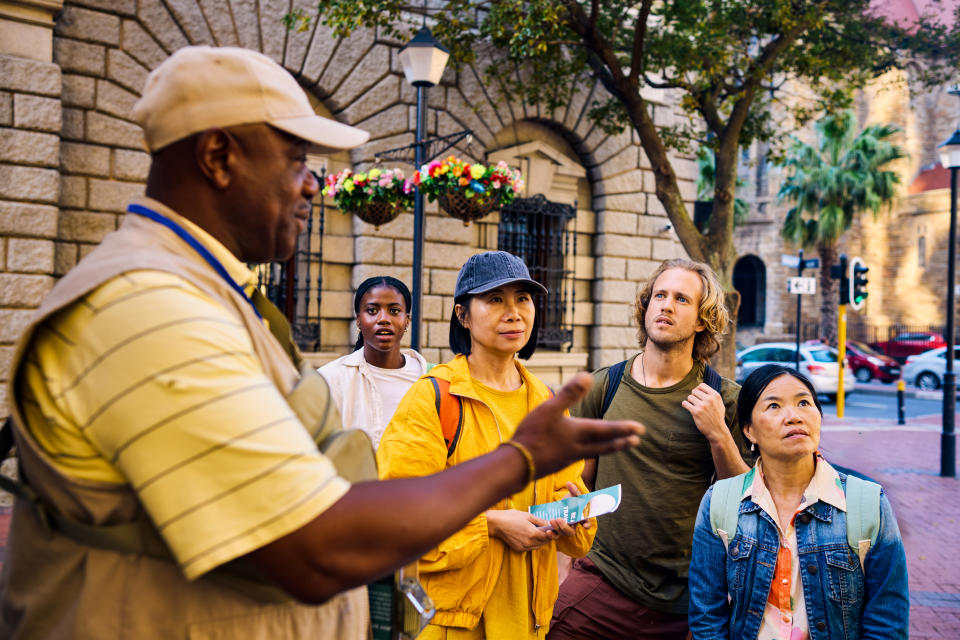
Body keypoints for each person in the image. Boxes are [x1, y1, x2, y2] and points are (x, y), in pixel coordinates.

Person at [0, 46, 644, 639]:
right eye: (297, 161)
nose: (314, 184)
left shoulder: (204, 293)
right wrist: (517, 462)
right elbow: (313, 547)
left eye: (524, 299)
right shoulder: (149, 310)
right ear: (218, 157)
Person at [377, 251, 596, 640]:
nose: (513, 313)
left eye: (523, 299)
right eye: (495, 300)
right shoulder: (434, 398)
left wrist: (574, 517)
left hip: (527, 623)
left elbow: (572, 511)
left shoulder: (545, 403)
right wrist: (491, 525)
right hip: (449, 624)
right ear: (463, 315)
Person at [548, 258, 752, 640]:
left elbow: (747, 503)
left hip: (688, 602)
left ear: (702, 320)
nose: (666, 305)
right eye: (659, 295)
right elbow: (576, 489)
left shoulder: (724, 399)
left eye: (681, 299)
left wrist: (718, 434)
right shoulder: (602, 389)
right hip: (600, 584)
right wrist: (563, 572)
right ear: (646, 308)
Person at [688, 365, 909, 639]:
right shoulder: (720, 501)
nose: (794, 416)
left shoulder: (868, 503)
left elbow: (887, 624)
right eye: (774, 406)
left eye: (804, 402)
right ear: (749, 431)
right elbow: (707, 616)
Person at [319, 276, 428, 448]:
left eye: (394, 311)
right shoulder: (330, 379)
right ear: (358, 320)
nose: (384, 319)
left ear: (406, 320)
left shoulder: (429, 379)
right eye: (372, 310)